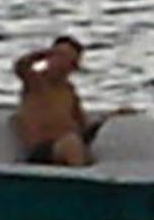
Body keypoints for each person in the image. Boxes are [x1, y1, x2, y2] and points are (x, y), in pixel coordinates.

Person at [12, 34, 111, 166]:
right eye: (59, 57)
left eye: (68, 60)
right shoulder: (36, 81)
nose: (61, 64)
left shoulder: (69, 91)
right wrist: (43, 54)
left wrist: (109, 118)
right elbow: (21, 66)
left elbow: (84, 126)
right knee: (71, 145)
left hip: (69, 145)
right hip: (43, 150)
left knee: (77, 146)